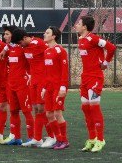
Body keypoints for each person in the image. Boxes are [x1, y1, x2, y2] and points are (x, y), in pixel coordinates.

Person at [75, 15, 116, 153]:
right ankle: (92, 139)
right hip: (85, 78)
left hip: (95, 77)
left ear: (85, 26)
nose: (76, 25)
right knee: (85, 108)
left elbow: (111, 48)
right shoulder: (80, 39)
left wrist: (106, 62)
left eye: (79, 23)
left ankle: (100, 139)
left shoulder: (94, 38)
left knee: (94, 107)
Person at [21, 32, 57, 148]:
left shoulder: (39, 43)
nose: (20, 45)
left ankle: (53, 136)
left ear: (25, 38)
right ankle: (37, 138)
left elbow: (51, 54)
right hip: (33, 81)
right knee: (36, 109)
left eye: (21, 42)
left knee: (43, 108)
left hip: (42, 80)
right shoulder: (24, 48)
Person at [0, 28, 32, 146]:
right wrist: (5, 48)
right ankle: (16, 137)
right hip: (11, 84)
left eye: (7, 34)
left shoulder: (24, 48)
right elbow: (5, 46)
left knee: (26, 111)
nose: (5, 36)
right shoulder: (10, 49)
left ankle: (31, 137)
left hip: (23, 84)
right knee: (13, 111)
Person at [42, 26, 70, 150]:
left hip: (59, 87)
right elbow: (46, 72)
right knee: (48, 114)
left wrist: (63, 87)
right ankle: (58, 139)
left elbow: (65, 71)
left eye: (47, 32)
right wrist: (44, 87)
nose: (44, 34)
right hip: (49, 87)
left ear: (53, 36)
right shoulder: (46, 51)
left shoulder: (60, 51)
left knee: (57, 113)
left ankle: (64, 140)